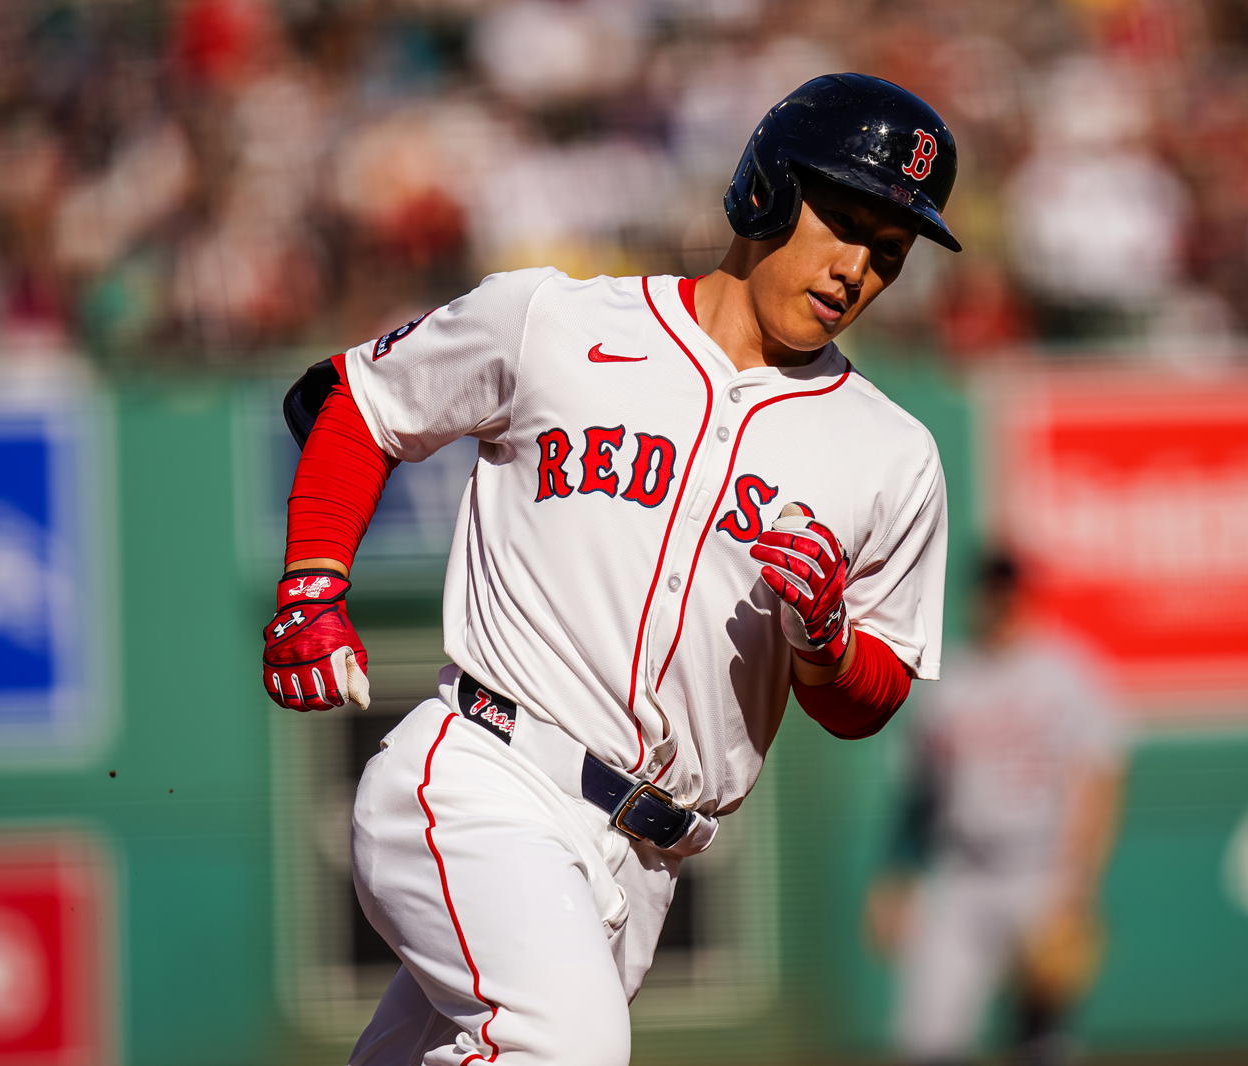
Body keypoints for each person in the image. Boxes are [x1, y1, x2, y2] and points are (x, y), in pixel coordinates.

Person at [259, 73, 959, 1066]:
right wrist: (310, 590)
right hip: (486, 777)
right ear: (766, 186)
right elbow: (359, 403)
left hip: (642, 868)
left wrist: (827, 644)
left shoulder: (891, 453)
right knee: (564, 1050)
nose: (856, 267)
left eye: (886, 252)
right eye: (842, 221)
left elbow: (865, 699)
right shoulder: (557, 320)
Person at [866, 548, 1131, 1066]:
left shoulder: (1067, 673)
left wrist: (1079, 888)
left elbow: (1101, 783)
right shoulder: (949, 681)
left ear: (1023, 594)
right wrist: (896, 877)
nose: (999, 601)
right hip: (961, 871)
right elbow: (918, 794)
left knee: (1042, 1039)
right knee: (926, 1037)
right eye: (990, 589)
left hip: (1040, 869)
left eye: (1007, 590)